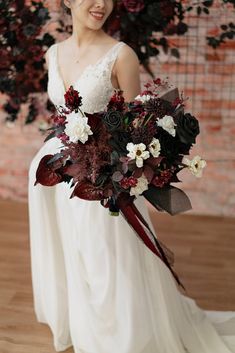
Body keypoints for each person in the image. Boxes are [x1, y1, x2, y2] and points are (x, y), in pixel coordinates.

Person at [28, 1, 235, 352]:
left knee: (106, 258)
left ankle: (121, 337)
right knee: (74, 254)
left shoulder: (121, 55)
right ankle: (84, 324)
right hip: (60, 174)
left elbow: (137, 127)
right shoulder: (53, 53)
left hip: (102, 178)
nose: (102, 4)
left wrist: (118, 169)